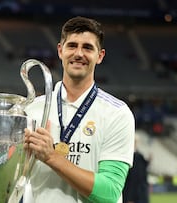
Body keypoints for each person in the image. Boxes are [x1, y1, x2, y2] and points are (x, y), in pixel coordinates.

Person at [24, 16, 135, 203]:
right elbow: (11, 179)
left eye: (88, 48)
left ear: (100, 56)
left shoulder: (116, 113)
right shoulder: (32, 109)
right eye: (72, 45)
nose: (79, 53)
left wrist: (51, 156)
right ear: (60, 51)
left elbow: (109, 192)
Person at [122, 136, 151, 203]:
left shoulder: (139, 156)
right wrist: (130, 197)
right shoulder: (130, 157)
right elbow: (132, 179)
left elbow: (142, 175)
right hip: (133, 194)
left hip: (141, 193)